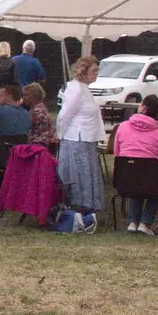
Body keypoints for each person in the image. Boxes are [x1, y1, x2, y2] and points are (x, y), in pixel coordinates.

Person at [55, 53, 105, 231]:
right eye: (94, 70)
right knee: (79, 176)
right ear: (83, 71)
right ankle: (77, 207)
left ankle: (87, 209)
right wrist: (60, 134)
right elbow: (65, 114)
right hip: (76, 139)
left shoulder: (84, 88)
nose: (96, 73)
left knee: (87, 174)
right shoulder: (76, 88)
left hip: (86, 139)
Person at [113, 94, 158, 234]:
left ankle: (133, 221)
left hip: (124, 180)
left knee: (135, 181)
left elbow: (117, 154)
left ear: (143, 108)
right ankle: (145, 222)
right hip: (150, 182)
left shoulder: (122, 127)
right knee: (157, 188)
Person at [22, 83, 58, 147]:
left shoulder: (36, 111)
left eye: (26, 95)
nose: (23, 98)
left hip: (39, 145)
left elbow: (24, 127)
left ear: (34, 96)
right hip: (47, 143)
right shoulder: (42, 106)